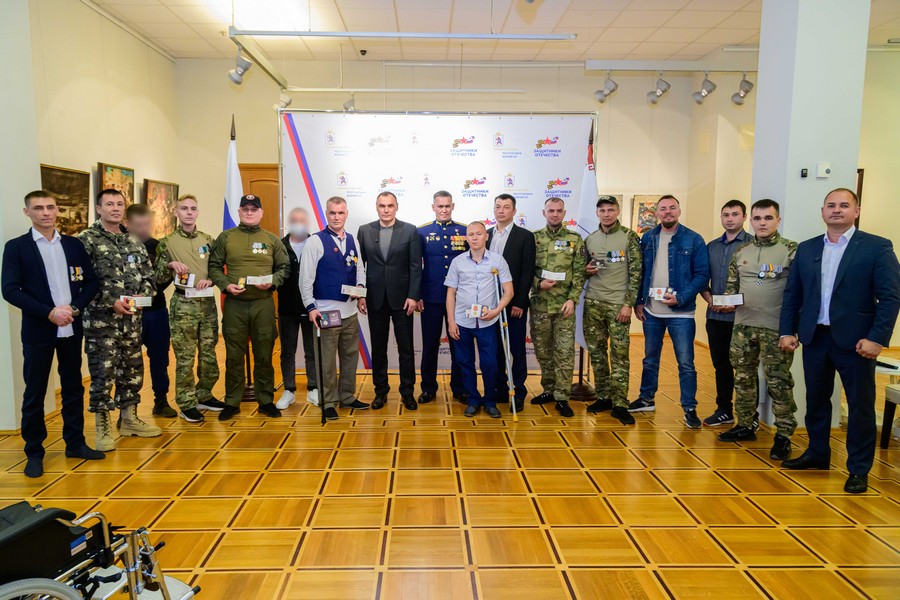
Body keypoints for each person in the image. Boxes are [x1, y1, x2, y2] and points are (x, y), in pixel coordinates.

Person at [779, 188, 900, 493]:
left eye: (844, 205)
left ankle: (858, 469)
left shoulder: (876, 247)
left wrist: (877, 338)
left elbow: (890, 297)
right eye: (831, 205)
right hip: (815, 337)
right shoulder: (807, 248)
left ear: (856, 211)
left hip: (857, 342)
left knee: (860, 406)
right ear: (822, 212)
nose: (837, 210)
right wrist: (787, 331)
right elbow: (793, 294)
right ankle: (818, 453)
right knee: (816, 401)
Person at [2, 191, 103, 477]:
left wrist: (75, 308)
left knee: (73, 387)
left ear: (57, 210)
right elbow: (10, 290)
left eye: (50, 207)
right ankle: (34, 452)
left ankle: (75, 443)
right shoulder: (17, 247)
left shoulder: (72, 245)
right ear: (27, 212)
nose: (45, 213)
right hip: (39, 329)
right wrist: (48, 313)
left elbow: (91, 282)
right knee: (35, 392)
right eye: (38, 208)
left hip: (71, 326)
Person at [78, 189, 160, 450]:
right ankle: (102, 427)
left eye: (119, 204)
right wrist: (109, 301)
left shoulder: (133, 241)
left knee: (132, 370)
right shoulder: (86, 240)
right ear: (99, 209)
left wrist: (142, 295)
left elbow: (149, 277)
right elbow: (80, 282)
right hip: (102, 323)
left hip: (132, 322)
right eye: (109, 204)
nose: (115, 208)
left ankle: (129, 419)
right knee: (103, 374)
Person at [717, 200, 798, 461]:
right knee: (743, 378)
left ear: (778, 220)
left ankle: (784, 434)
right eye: (757, 218)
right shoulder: (742, 250)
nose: (762, 223)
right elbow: (732, 288)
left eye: (768, 218)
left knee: (778, 382)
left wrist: (792, 329)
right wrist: (725, 303)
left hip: (776, 328)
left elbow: (799, 291)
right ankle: (744, 424)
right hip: (743, 327)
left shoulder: (791, 250)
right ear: (750, 221)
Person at [208, 194, 290, 420]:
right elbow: (214, 266)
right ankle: (232, 402)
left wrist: (272, 282)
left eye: (254, 209)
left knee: (264, 354)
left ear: (261, 213)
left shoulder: (272, 240)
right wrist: (225, 286)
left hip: (263, 304)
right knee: (234, 355)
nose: (250, 212)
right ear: (239, 212)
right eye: (245, 209)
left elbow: (285, 268)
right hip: (235, 305)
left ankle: (266, 400)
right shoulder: (226, 238)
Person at [631, 195, 709, 429]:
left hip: (681, 314)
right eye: (663, 208)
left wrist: (681, 297)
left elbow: (702, 275)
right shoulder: (648, 238)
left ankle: (689, 408)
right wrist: (639, 301)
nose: (667, 212)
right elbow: (641, 272)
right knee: (649, 359)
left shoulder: (694, 239)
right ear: (656, 213)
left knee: (685, 363)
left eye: (672, 208)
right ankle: (647, 399)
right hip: (652, 312)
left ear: (679, 211)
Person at [154, 194, 224, 423]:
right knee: (185, 356)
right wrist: (169, 265)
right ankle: (186, 403)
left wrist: (212, 280)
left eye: (193, 208)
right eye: (184, 208)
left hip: (207, 303)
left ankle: (204, 394)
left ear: (197, 212)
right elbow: (156, 278)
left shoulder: (208, 240)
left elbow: (217, 269)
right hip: (183, 304)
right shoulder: (167, 242)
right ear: (176, 212)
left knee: (209, 354)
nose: (189, 212)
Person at [300, 196, 371, 420]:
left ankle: (347, 396)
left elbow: (359, 270)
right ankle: (328, 401)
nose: (337, 217)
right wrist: (311, 307)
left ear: (346, 214)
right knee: (327, 360)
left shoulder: (352, 240)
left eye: (341, 213)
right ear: (326, 214)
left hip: (350, 312)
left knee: (350, 357)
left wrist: (361, 292)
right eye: (332, 213)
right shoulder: (315, 241)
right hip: (326, 312)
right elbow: (305, 279)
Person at [357, 191, 422, 411]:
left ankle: (408, 392)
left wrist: (413, 296)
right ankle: (380, 392)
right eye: (382, 206)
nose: (386, 210)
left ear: (397, 207)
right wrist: (361, 294)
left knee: (406, 349)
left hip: (403, 300)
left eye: (390, 206)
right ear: (376, 207)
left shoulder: (410, 230)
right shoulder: (364, 230)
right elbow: (359, 267)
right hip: (375, 299)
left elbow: (416, 266)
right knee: (378, 348)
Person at [582, 195, 641, 425]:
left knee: (619, 356)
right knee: (597, 354)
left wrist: (628, 304)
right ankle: (604, 396)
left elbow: (636, 273)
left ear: (617, 211)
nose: (606, 214)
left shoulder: (629, 237)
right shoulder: (590, 239)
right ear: (597, 213)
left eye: (610, 210)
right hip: (593, 303)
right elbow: (582, 270)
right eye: (602, 210)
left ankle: (620, 403)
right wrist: (587, 270)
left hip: (618, 305)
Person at [446, 222, 514, 418]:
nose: (474, 238)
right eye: (471, 234)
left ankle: (490, 401)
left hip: (488, 322)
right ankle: (473, 399)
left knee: (490, 363)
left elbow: (509, 292)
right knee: (465, 362)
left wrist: (496, 311)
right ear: (466, 238)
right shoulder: (458, 262)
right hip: (462, 321)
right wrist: (451, 321)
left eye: (478, 234)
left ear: (486, 236)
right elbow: (450, 293)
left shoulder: (498, 261)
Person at [530, 197, 587, 418]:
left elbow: (580, 272)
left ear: (564, 213)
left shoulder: (575, 239)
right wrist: (538, 283)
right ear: (543, 212)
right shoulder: (533, 238)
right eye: (551, 210)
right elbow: (526, 270)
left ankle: (562, 397)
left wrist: (572, 299)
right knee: (543, 352)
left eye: (559, 211)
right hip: (540, 306)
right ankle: (549, 390)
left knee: (564, 353)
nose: (555, 214)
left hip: (565, 307)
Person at [700, 200, 751, 427]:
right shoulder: (712, 247)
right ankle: (724, 409)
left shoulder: (753, 245)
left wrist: (738, 304)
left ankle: (750, 416)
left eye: (735, 214)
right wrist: (709, 299)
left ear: (744, 217)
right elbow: (701, 277)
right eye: (726, 215)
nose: (730, 219)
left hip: (744, 319)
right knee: (721, 365)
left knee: (746, 367)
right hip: (716, 317)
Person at [417, 191, 468, 404]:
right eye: (440, 206)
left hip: (458, 299)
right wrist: (417, 295)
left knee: (459, 345)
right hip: (431, 298)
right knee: (430, 345)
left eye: (447, 206)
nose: (444, 210)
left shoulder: (465, 231)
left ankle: (460, 388)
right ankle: (428, 388)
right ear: (433, 207)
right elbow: (415, 267)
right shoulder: (421, 232)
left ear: (453, 206)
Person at [124, 203, 175, 418]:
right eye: (139, 225)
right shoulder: (119, 246)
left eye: (147, 224)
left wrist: (149, 292)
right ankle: (128, 410)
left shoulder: (159, 247)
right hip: (128, 312)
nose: (144, 229)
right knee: (128, 361)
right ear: (127, 223)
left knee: (160, 357)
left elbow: (165, 277)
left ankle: (161, 400)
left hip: (155, 311)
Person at [487, 193, 535, 414]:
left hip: (514, 304)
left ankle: (519, 391)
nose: (501, 210)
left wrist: (520, 302)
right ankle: (499, 389)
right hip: (490, 303)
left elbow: (527, 271)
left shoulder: (525, 236)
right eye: (498, 206)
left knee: (516, 349)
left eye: (506, 207)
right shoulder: (486, 235)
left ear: (514, 211)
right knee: (495, 349)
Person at [275, 207, 318, 410]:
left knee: (312, 351)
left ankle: (313, 388)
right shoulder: (279, 246)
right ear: (288, 223)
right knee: (287, 352)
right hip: (287, 309)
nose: (298, 224)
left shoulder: (315, 243)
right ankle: (289, 390)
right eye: (294, 220)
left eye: (302, 220)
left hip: (312, 309)